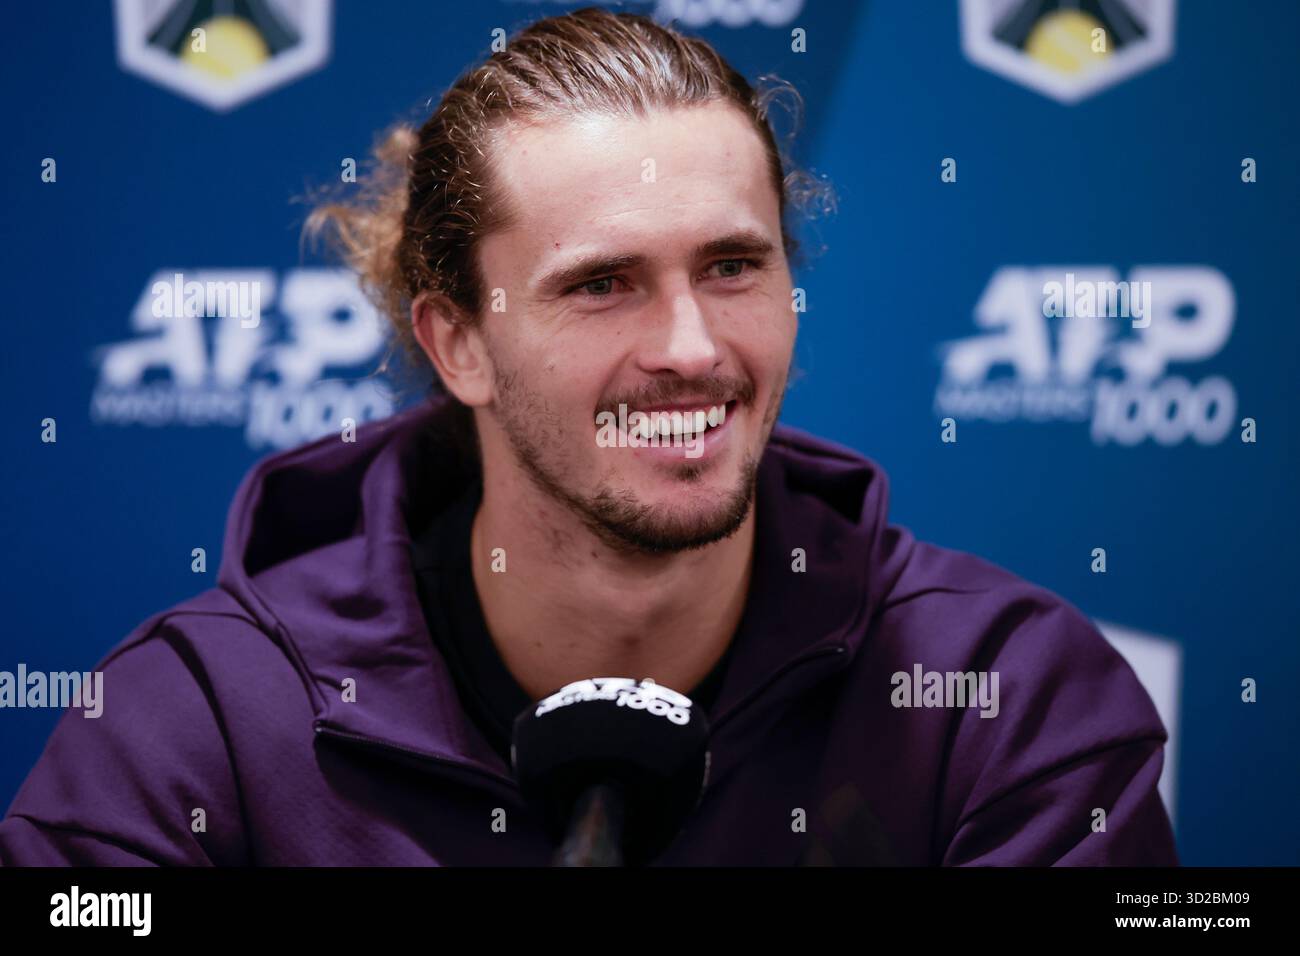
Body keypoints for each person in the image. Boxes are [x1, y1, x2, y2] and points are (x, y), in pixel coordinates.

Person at [0, 7, 1176, 866]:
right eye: (602, 283)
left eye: (731, 267)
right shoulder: (192, 727)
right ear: (457, 342)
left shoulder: (1001, 700)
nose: (691, 346)